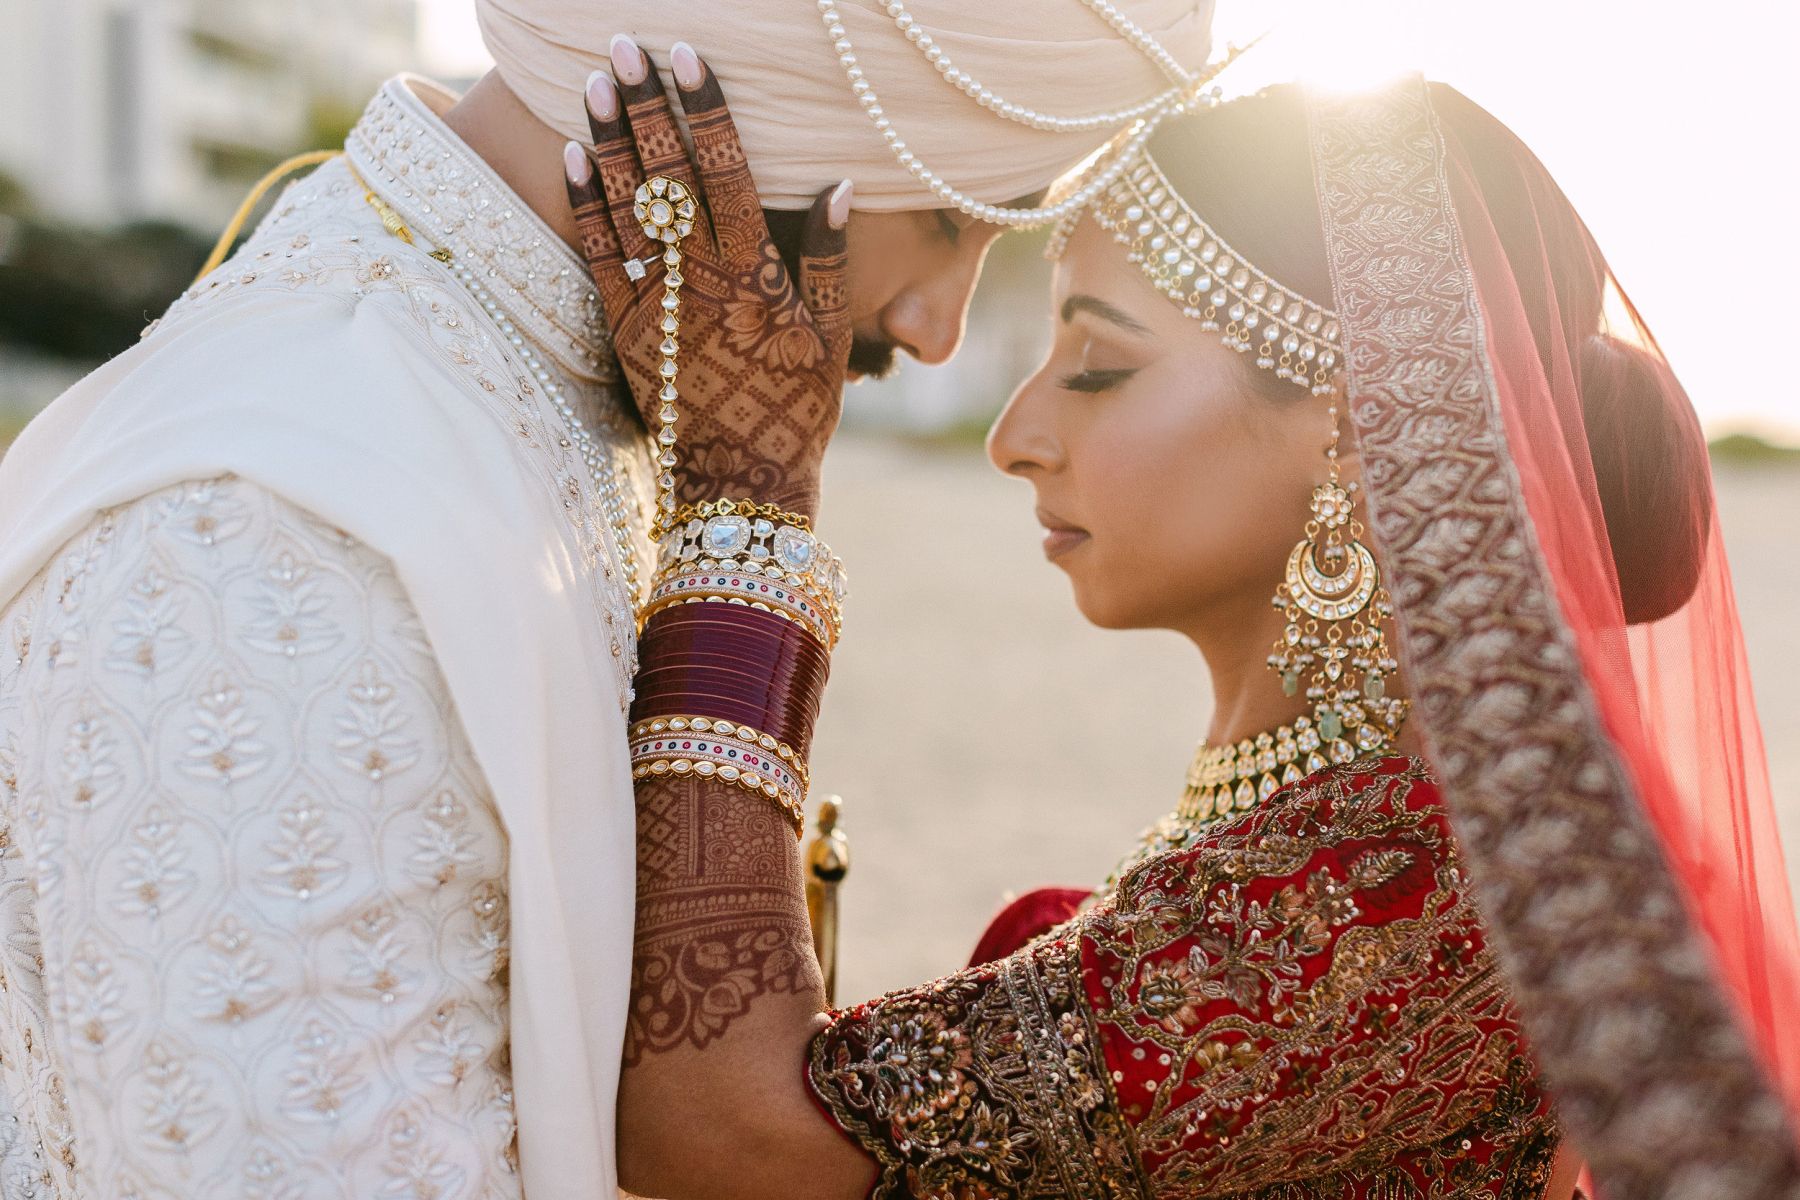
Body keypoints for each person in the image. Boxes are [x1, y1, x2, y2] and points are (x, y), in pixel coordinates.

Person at [0, 3, 1213, 1197]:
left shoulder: (567, 379)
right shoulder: (272, 547)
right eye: (950, 220)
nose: (936, 333)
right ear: (749, 93)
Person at [566, 38, 1800, 1200]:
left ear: (1358, 438)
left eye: (1100, 369)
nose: (1015, 439)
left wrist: (747, 509)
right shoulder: (1355, 831)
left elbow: (716, 1119)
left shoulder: (1401, 888)